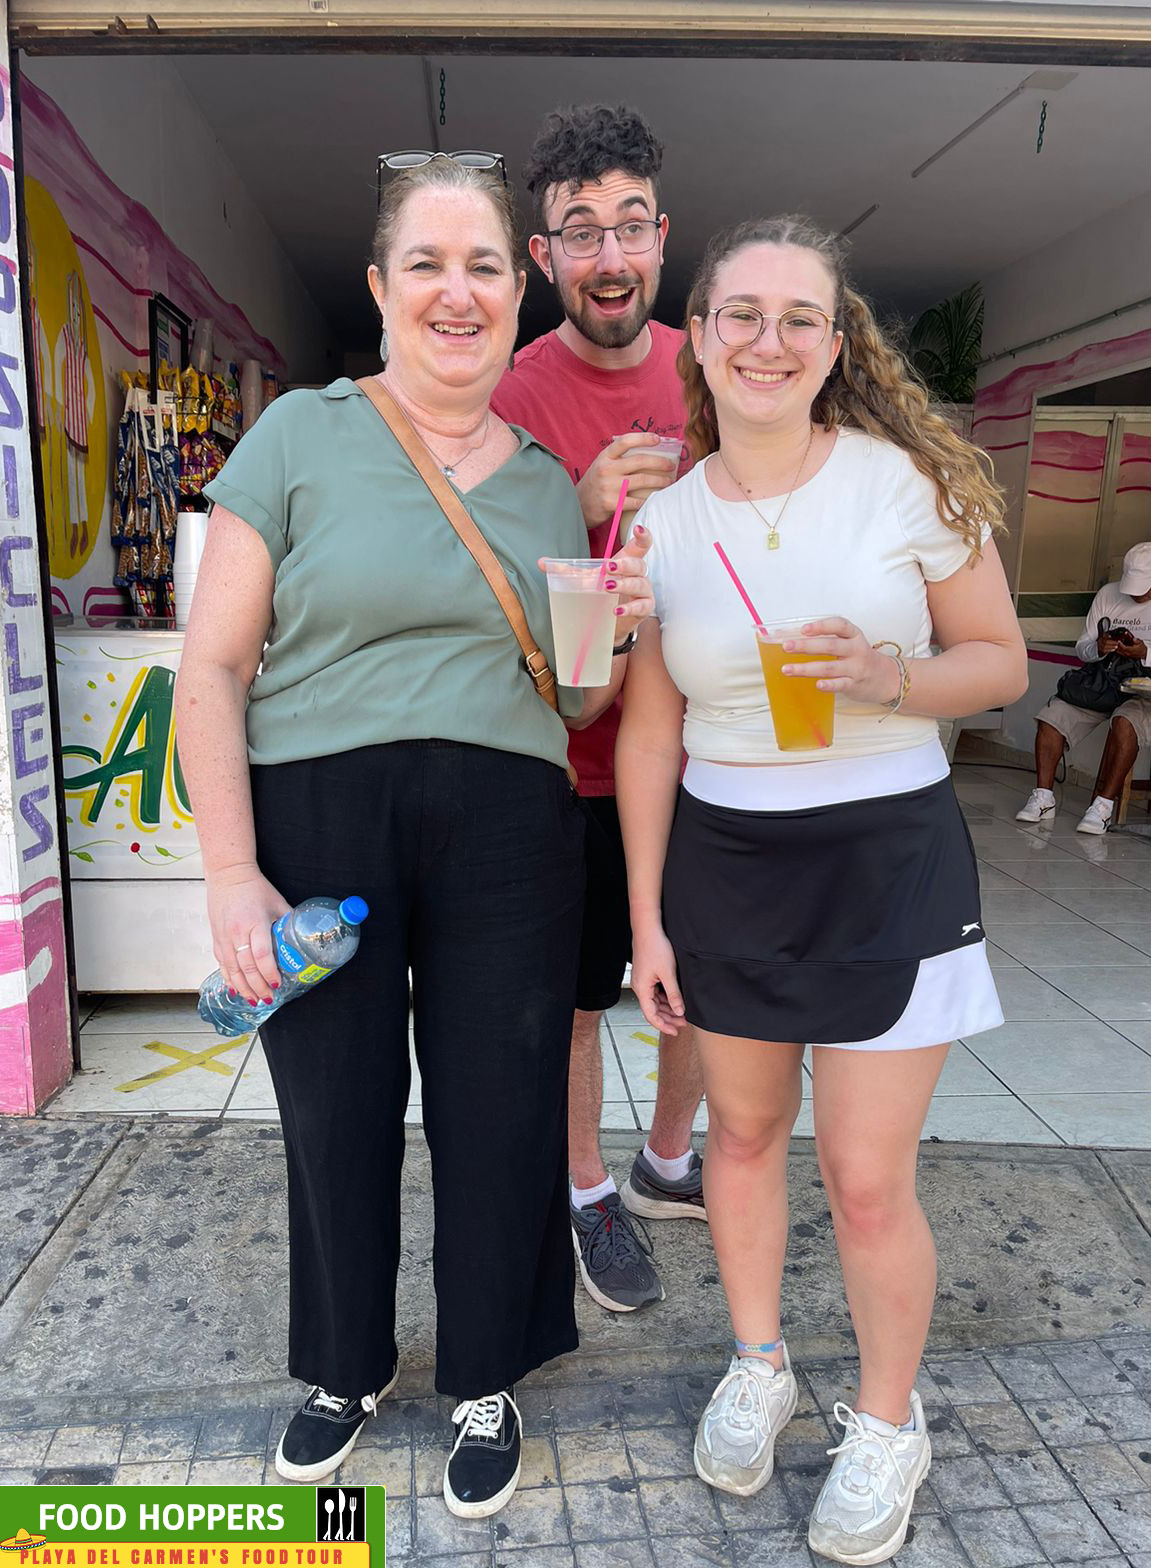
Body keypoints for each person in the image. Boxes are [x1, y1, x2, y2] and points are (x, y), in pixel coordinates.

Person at [174, 155, 652, 1518]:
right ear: (382, 290)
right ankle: (345, 1361)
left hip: (510, 819)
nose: (460, 292)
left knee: (501, 1108)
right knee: (334, 1106)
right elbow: (211, 670)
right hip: (317, 811)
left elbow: (575, 698)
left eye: (487, 266)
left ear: (520, 292)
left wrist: (610, 626)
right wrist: (229, 871)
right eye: (429, 265)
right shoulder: (298, 439)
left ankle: (486, 1369)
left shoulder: (548, 484)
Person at [616, 215, 1027, 1566]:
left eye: (801, 316)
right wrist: (647, 915)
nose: (769, 340)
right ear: (698, 336)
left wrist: (890, 679)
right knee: (737, 1140)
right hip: (728, 864)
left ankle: (887, 1423)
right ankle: (758, 1362)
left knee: (861, 1176)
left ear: (836, 342)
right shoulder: (663, 524)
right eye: (741, 313)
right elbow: (650, 732)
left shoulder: (904, 483)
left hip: (886, 857)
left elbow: (1001, 665)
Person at [493, 103, 705, 1317]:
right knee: (580, 996)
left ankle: (667, 1157)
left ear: (662, 238)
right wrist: (573, 505)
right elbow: (485, 580)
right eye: (581, 233)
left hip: (707, 755)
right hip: (570, 765)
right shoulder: (516, 393)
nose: (609, 255)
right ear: (545, 259)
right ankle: (584, 1188)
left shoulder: (717, 367)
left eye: (629, 226)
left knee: (705, 979)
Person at [1017, 540, 1151, 835]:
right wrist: (1099, 648)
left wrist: (1146, 653)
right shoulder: (1108, 594)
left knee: (1125, 722)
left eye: (1144, 586)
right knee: (1052, 717)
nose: (1136, 594)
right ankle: (1043, 797)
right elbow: (1083, 648)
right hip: (1104, 680)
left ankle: (1102, 807)